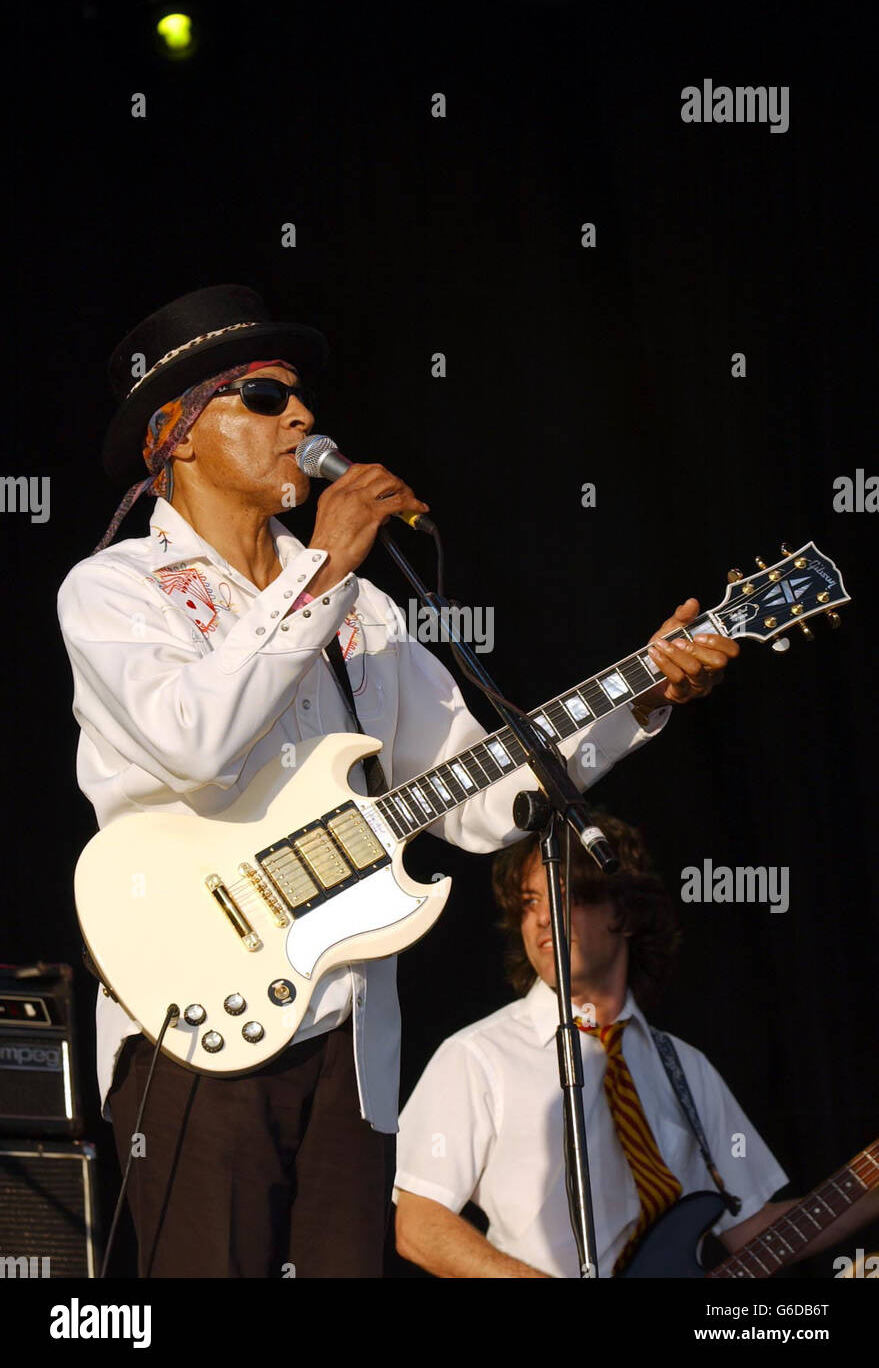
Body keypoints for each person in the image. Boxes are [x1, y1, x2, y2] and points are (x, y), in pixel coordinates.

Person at [57, 284, 738, 1278]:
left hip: (348, 1038)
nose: (301, 417)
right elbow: (192, 742)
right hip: (195, 1022)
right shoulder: (116, 589)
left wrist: (639, 694)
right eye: (260, 396)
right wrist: (319, 575)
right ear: (178, 434)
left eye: (301, 397)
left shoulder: (363, 609)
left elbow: (475, 794)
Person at [393, 816, 879, 1277]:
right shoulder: (478, 1056)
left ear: (623, 913)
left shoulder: (686, 1069)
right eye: (528, 902)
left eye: (566, 897)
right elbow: (419, 1224)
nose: (542, 919)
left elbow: (749, 1229)